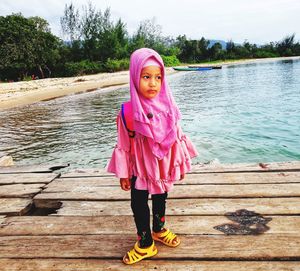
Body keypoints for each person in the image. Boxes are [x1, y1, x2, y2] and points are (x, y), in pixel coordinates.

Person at [107, 48, 198, 265]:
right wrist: (124, 173)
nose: (153, 83)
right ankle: (145, 242)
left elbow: (176, 137)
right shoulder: (127, 113)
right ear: (134, 76)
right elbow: (123, 145)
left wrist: (180, 165)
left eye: (158, 77)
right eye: (146, 77)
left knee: (161, 197)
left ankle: (158, 228)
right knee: (138, 203)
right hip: (139, 169)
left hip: (163, 166)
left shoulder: (170, 108)